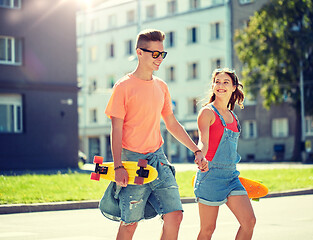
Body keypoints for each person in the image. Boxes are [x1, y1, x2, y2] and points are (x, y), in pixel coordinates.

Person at [102, 29, 208, 240]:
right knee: (130, 222)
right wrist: (118, 166)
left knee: (175, 215)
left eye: (162, 54)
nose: (159, 59)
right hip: (132, 161)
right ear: (139, 52)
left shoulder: (161, 86)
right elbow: (116, 129)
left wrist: (196, 149)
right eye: (155, 54)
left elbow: (171, 123)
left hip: (158, 159)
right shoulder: (123, 86)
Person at [194, 68, 256, 240]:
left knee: (249, 221)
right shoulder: (207, 112)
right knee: (207, 230)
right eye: (217, 81)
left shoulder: (233, 117)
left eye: (226, 82)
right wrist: (201, 155)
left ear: (234, 87)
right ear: (213, 86)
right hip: (210, 176)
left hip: (231, 177)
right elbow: (203, 141)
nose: (220, 85)